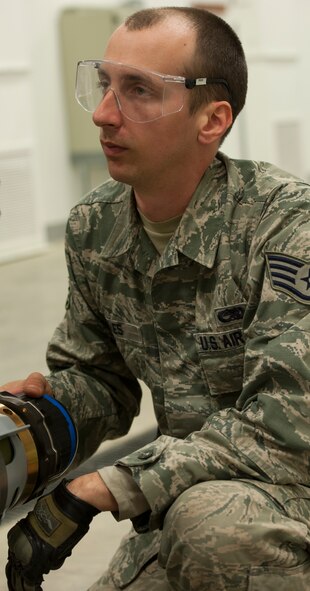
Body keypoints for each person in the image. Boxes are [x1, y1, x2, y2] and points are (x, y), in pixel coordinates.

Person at [2, 6, 310, 591]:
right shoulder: (97, 227)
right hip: (191, 496)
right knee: (199, 523)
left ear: (211, 119)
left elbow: (290, 427)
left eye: (138, 91)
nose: (102, 114)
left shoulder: (288, 229)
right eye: (104, 85)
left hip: (282, 499)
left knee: (209, 530)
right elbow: (101, 379)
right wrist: (31, 422)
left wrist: (105, 486)